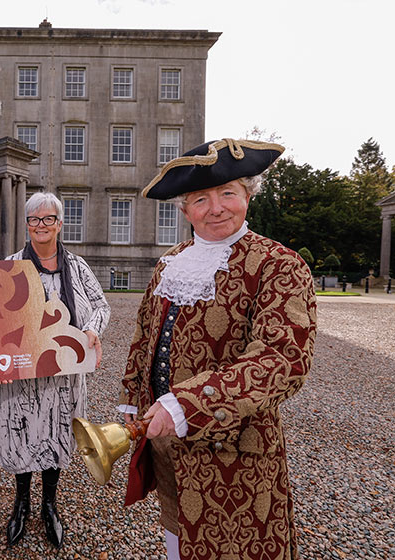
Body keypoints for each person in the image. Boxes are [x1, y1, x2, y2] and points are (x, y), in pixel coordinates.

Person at [119, 139, 317, 560]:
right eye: (200, 199)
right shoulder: (170, 262)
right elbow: (145, 335)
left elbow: (283, 359)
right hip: (166, 444)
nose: (216, 208)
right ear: (185, 209)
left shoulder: (278, 264)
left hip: (235, 452)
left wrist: (187, 404)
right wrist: (133, 402)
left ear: (248, 195)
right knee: (178, 540)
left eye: (228, 193)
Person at [0, 192, 111, 549]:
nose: (40, 226)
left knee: (58, 434)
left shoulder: (76, 267)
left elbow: (101, 306)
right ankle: (22, 502)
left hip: (64, 373)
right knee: (22, 432)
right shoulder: (11, 266)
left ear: (60, 224)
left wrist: (91, 330)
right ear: (27, 225)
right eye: (33, 220)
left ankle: (49, 505)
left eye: (47, 219)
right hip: (22, 374)